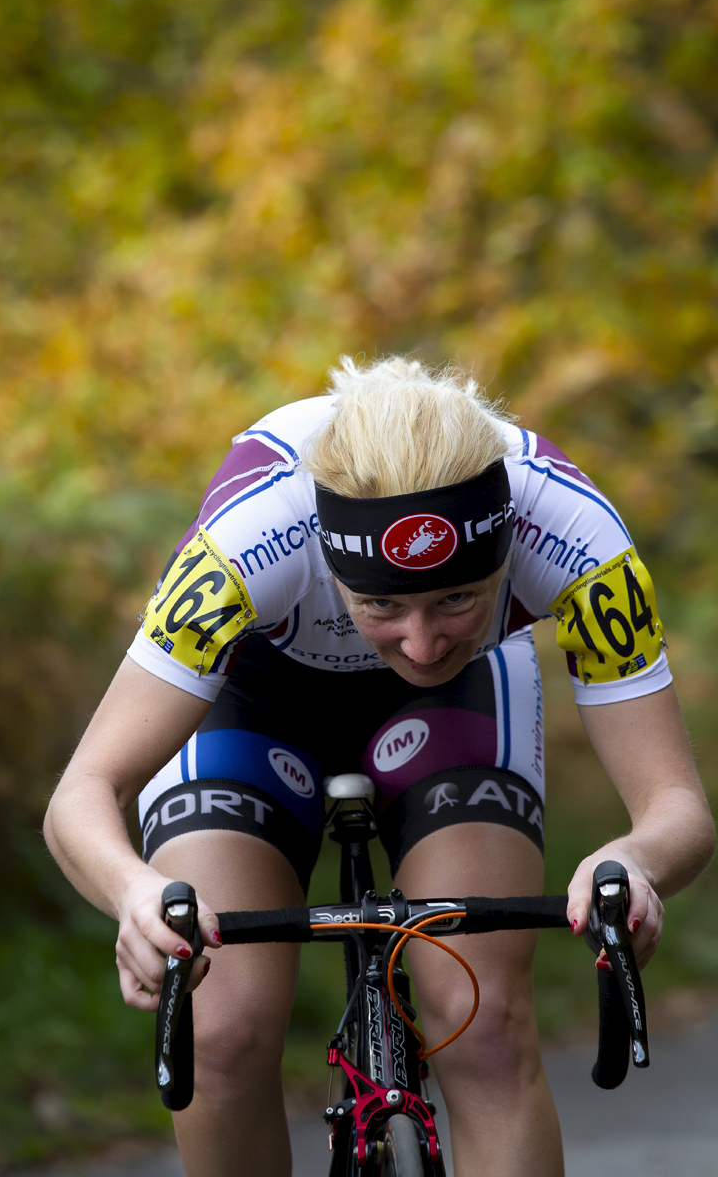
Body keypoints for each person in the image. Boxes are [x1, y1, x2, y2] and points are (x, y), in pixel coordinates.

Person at [44, 357, 714, 1177]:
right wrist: (134, 894)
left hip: (461, 700)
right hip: (256, 691)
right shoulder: (250, 542)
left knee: (485, 1025)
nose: (422, 642)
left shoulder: (575, 536)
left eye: (460, 598)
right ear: (331, 561)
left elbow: (677, 806)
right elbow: (84, 791)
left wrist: (633, 859)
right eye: (382, 605)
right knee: (220, 1033)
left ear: (506, 543)